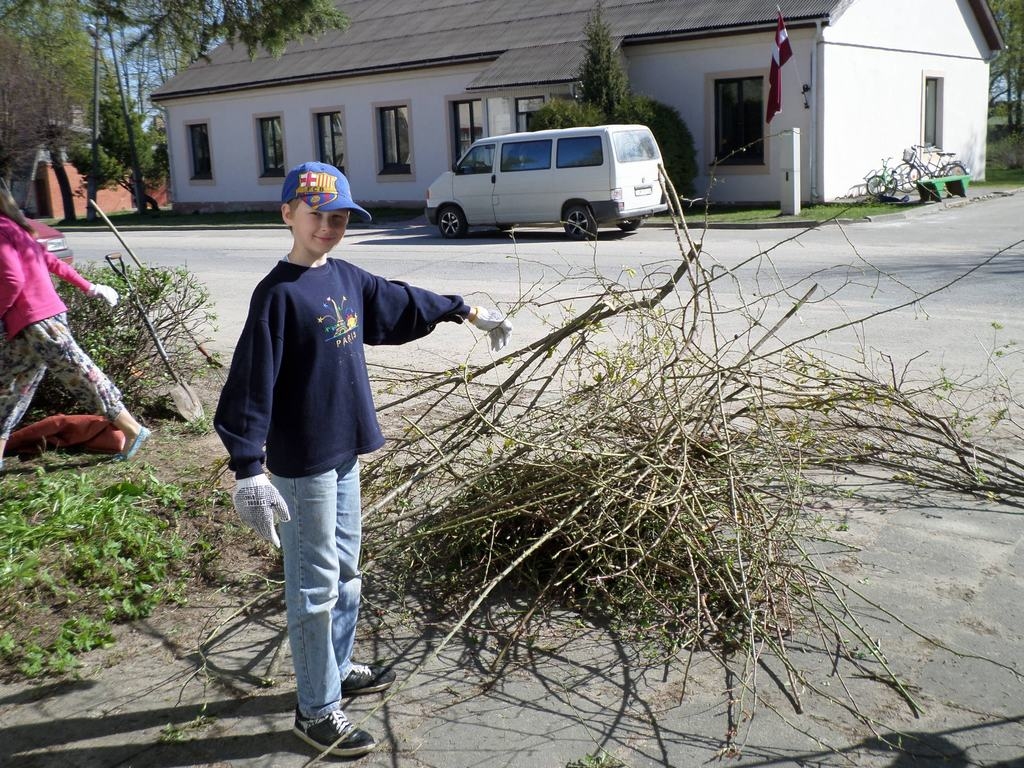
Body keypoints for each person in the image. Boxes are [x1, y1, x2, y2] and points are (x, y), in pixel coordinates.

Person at [213, 161, 512, 758]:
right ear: (287, 215)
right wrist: (248, 469)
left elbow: (397, 302)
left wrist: (463, 309)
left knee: (347, 576)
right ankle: (316, 709)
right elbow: (250, 386)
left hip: (344, 453)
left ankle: (339, 667)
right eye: (317, 214)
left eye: (341, 216)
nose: (329, 226)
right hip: (304, 469)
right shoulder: (276, 296)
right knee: (315, 589)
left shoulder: (345, 278)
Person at [0, 190, 150, 472]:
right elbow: (51, 261)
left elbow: (11, 279)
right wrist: (90, 287)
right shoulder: (16, 227)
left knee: (80, 374)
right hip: (36, 320)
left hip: (38, 321)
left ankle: (132, 428)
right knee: (9, 385)